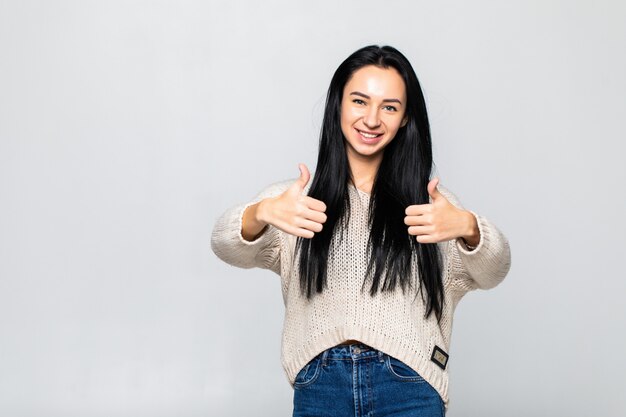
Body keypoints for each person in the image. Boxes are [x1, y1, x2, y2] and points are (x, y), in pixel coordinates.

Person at [211, 45, 511, 416]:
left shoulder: (430, 207)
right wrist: (261, 212)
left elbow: (493, 270)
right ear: (338, 104)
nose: (372, 119)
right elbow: (224, 243)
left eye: (389, 106)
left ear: (404, 118)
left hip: (409, 385)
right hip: (321, 385)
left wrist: (468, 227)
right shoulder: (297, 202)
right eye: (359, 101)